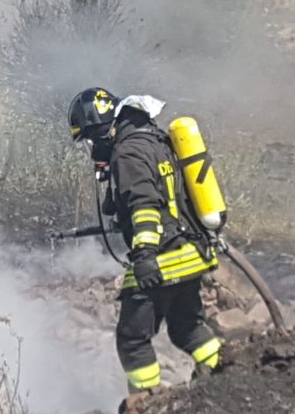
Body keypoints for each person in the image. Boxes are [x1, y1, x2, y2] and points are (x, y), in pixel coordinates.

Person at [67, 88, 222, 393]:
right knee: (186, 328)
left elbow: (145, 206)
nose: (90, 147)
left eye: (89, 138)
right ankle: (222, 376)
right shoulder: (153, 140)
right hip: (190, 252)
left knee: (132, 339)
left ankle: (146, 406)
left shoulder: (127, 153)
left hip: (163, 257)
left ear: (100, 130)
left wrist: (145, 256)